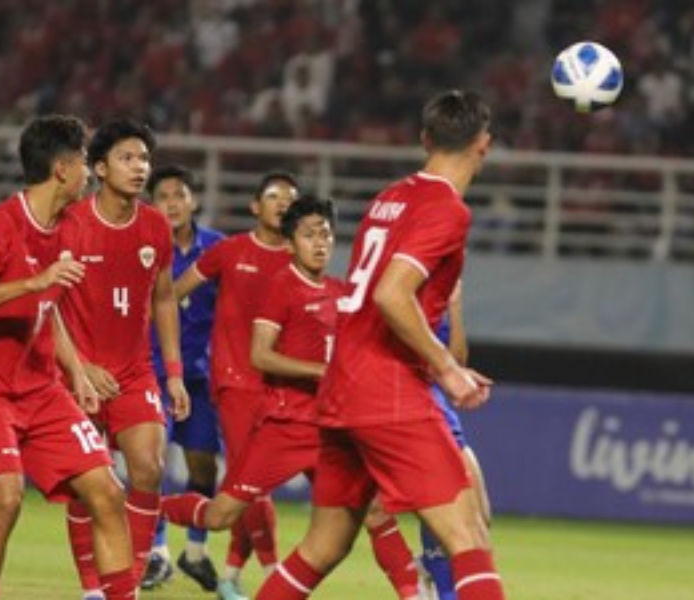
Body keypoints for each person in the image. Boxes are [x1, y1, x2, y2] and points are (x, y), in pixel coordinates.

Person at [257, 89, 505, 600]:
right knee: (469, 536)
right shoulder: (448, 210)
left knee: (323, 547)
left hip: (342, 388)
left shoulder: (390, 196)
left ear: (425, 139)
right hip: (388, 390)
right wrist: (447, 368)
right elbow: (392, 294)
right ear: (484, 145)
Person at [162, 195, 423, 600]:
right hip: (285, 426)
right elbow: (261, 355)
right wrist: (321, 371)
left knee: (375, 511)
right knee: (220, 515)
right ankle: (147, 509)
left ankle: (413, 594)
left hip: (331, 429)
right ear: (291, 243)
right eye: (308, 235)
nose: (319, 243)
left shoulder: (341, 293)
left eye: (325, 234)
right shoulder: (281, 287)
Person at [0, 115, 136, 600]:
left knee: (107, 492)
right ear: (62, 168)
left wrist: (75, 372)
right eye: (85, 162)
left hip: (42, 388)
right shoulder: (6, 222)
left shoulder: (68, 227)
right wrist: (34, 282)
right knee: (5, 497)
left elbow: (48, 307)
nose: (90, 173)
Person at [59, 118, 191, 598]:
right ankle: (92, 589)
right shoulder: (72, 223)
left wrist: (173, 373)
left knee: (149, 470)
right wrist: (79, 366)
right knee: (88, 483)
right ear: (99, 168)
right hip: (78, 372)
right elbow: (49, 304)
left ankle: (127, 586)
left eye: (144, 159)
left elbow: (164, 298)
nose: (139, 168)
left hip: (135, 372)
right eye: (127, 158)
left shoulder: (155, 225)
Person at [172, 171, 297, 600]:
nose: (283, 203)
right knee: (252, 484)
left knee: (247, 489)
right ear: (255, 207)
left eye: (290, 198)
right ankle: (276, 575)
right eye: (274, 196)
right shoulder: (229, 251)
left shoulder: (300, 260)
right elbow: (173, 293)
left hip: (283, 388)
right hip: (235, 384)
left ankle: (228, 575)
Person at [141, 165, 225, 592]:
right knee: (151, 464)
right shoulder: (143, 247)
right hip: (153, 373)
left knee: (204, 466)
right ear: (151, 205)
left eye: (180, 194)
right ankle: (156, 553)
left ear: (194, 200)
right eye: (163, 196)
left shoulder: (218, 248)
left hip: (201, 378)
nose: (172, 203)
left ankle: (194, 551)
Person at [418, 281, 493, 600]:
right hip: (412, 408)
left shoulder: (439, 298)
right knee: (459, 525)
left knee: (480, 519)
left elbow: (456, 361)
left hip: (441, 410)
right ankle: (432, 580)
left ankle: (427, 569)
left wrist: (455, 306)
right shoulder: (402, 293)